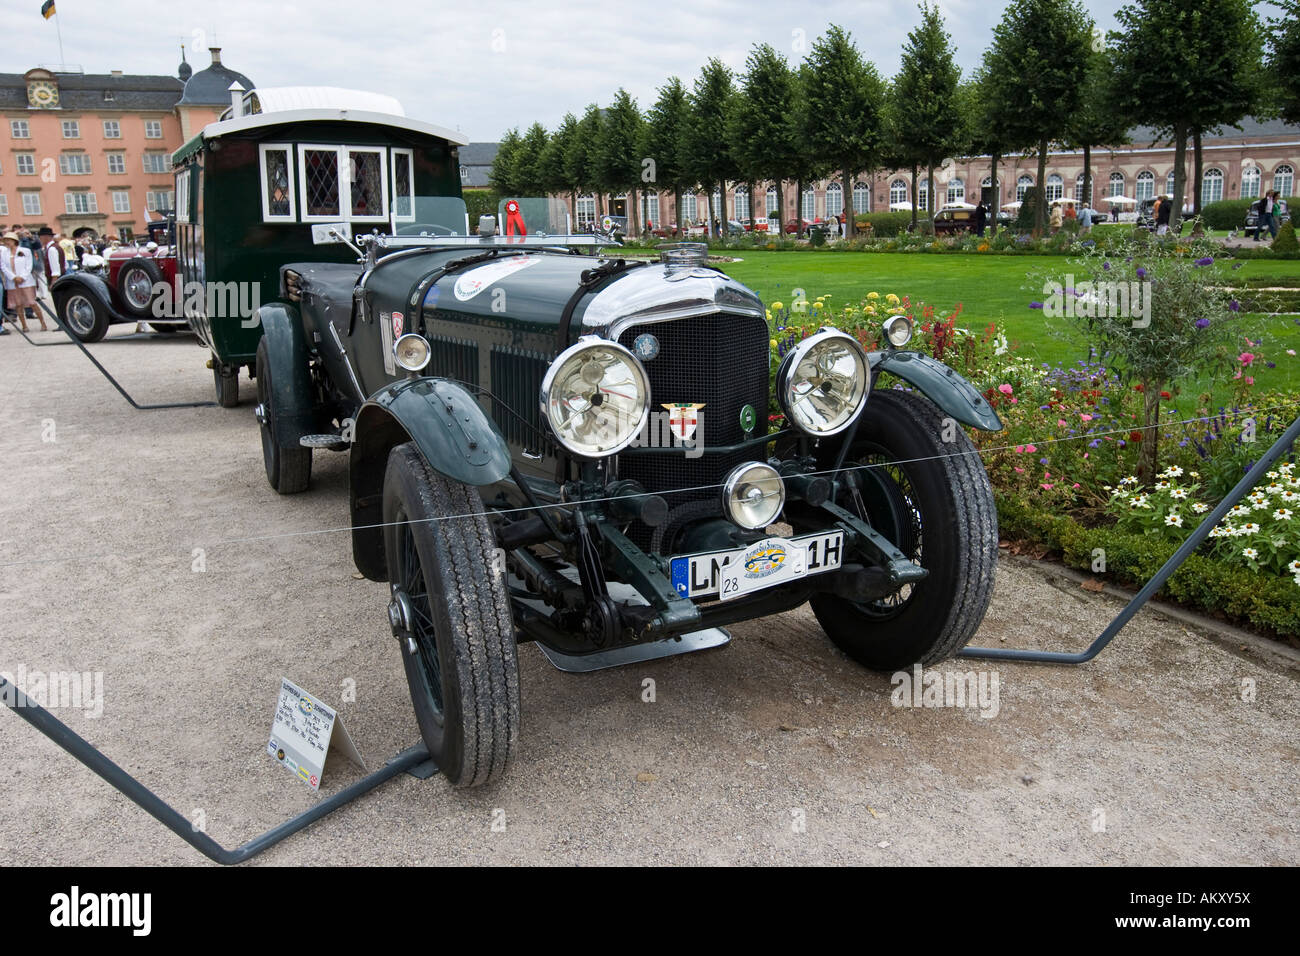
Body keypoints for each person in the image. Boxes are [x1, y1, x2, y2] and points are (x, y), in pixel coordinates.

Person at [1, 232, 47, 331]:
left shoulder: (25, 250)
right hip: (12, 282)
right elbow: (3, 267)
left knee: (32, 302)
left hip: (25, 281)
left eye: (8, 240)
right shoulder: (4, 253)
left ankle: (43, 323)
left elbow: (29, 265)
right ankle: (24, 325)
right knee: (18, 304)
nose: (7, 242)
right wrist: (13, 277)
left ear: (14, 241)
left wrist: (22, 277)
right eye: (5, 241)